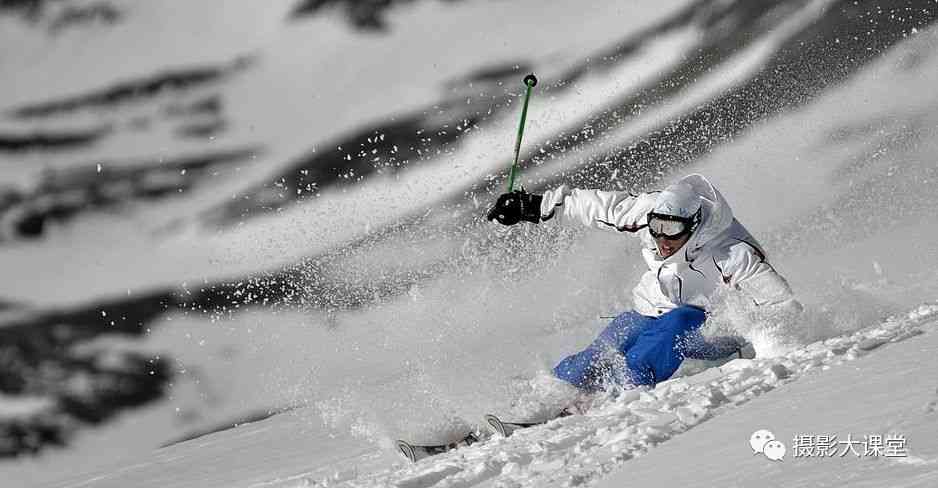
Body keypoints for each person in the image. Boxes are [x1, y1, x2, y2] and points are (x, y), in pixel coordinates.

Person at [486, 174, 801, 393]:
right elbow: (600, 207)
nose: (662, 239)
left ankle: (625, 387)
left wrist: (763, 345)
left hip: (713, 332)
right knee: (602, 349)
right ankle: (550, 394)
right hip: (655, 312)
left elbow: (783, 306)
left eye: (672, 230)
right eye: (657, 228)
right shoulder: (653, 215)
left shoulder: (732, 253)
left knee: (675, 324)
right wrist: (536, 206)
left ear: (695, 225)